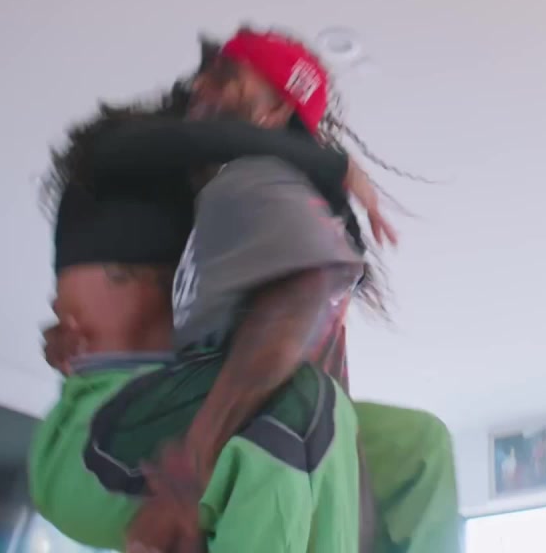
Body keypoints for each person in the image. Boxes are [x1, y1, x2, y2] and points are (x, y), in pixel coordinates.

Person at [93, 28, 461, 553]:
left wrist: (190, 470)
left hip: (270, 447)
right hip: (305, 453)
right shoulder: (237, 194)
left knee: (408, 443)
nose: (200, 84)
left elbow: (303, 294)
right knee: (420, 445)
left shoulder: (254, 177)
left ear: (271, 114)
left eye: (226, 77)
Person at [29, 89, 379, 551]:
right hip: (93, 438)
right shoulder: (111, 160)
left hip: (168, 407)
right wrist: (333, 165)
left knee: (411, 445)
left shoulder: (212, 225)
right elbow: (208, 140)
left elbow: (326, 258)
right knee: (300, 401)